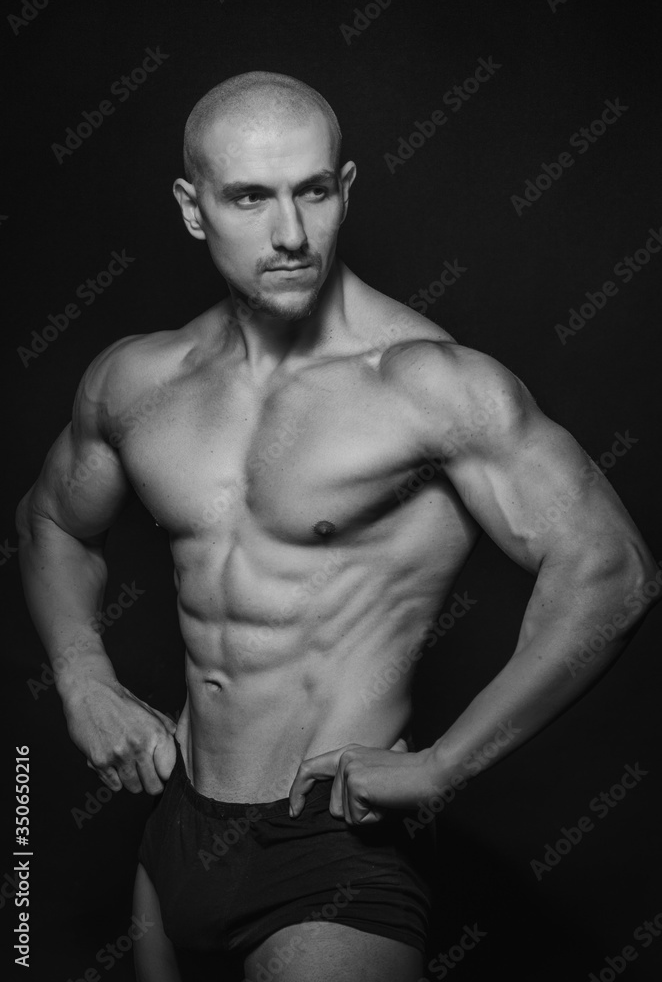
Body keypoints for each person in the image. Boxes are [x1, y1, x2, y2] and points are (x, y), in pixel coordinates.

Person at [16, 71, 658, 982]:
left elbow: (613, 570)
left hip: (331, 849)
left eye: (312, 192)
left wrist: (445, 764)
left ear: (345, 190)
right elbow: (50, 522)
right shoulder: (138, 381)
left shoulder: (430, 384)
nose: (290, 233)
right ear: (193, 208)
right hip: (175, 828)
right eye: (250, 198)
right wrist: (83, 677)